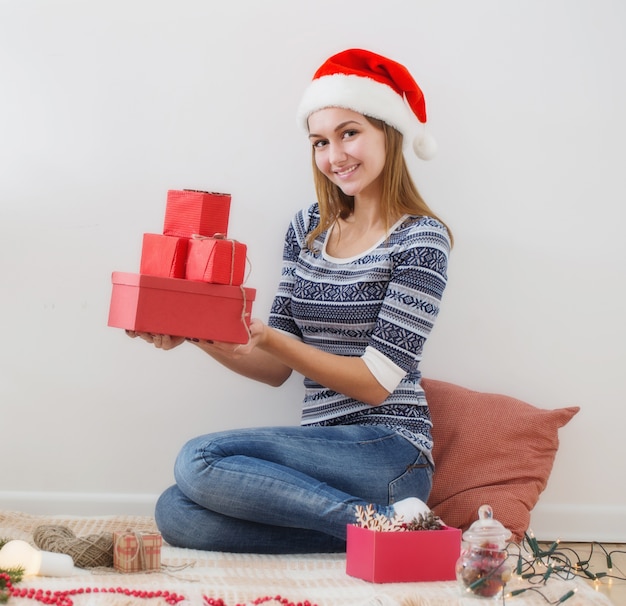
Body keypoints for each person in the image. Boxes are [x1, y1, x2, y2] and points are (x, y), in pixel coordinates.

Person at [127, 48, 452, 554]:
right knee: (177, 512)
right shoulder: (307, 229)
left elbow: (374, 384)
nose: (334, 155)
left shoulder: (421, 239)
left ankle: (379, 519)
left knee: (199, 460)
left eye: (349, 133)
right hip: (319, 454)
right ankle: (375, 528)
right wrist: (194, 332)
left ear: (388, 131)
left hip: (389, 452)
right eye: (320, 141)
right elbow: (274, 367)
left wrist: (271, 337)